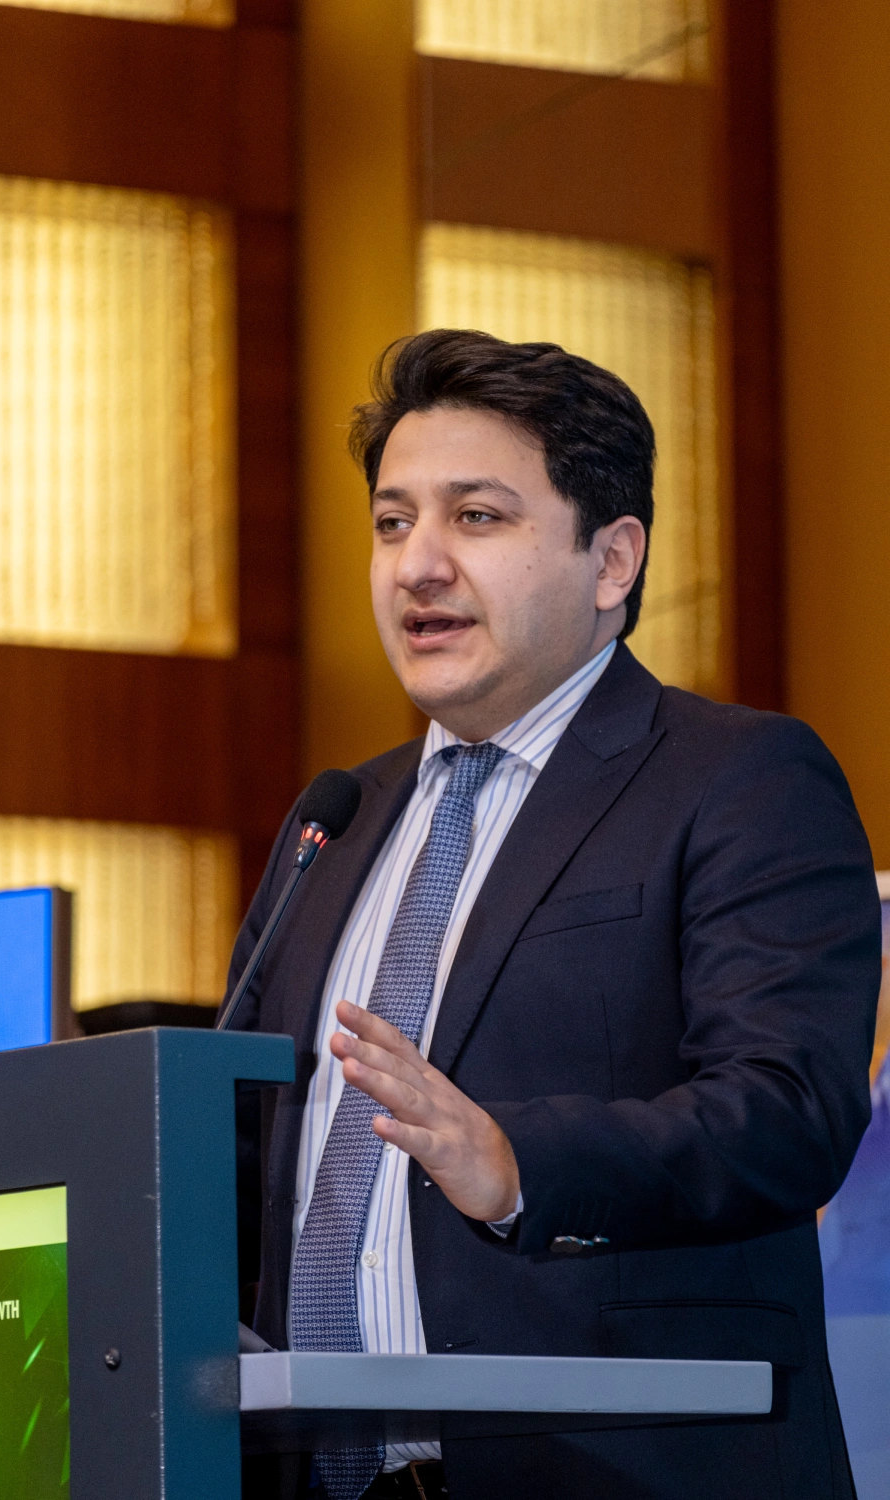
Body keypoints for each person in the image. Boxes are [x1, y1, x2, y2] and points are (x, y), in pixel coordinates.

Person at [233, 329, 881, 1500]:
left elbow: (786, 1111)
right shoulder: (335, 820)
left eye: (476, 517)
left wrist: (517, 1160)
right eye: (392, 522)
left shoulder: (735, 778)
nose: (417, 565)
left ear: (611, 558)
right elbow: (241, 1151)